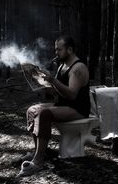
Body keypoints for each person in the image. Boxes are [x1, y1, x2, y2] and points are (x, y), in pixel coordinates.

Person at [18, 36, 90, 176]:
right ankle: (38, 151)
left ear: (70, 49)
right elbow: (58, 92)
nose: (56, 52)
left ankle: (38, 162)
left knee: (44, 114)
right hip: (63, 105)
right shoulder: (63, 66)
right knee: (32, 110)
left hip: (78, 109)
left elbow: (72, 95)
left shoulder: (78, 68)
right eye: (55, 49)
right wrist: (42, 84)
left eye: (59, 49)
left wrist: (53, 80)